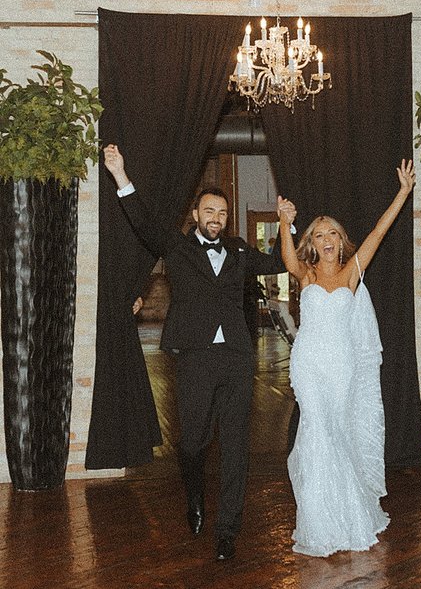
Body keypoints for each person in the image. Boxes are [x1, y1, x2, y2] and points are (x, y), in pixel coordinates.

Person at [102, 144, 286, 562]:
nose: (216, 219)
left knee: (237, 446)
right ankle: (195, 494)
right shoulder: (179, 247)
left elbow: (277, 261)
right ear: (196, 215)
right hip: (195, 357)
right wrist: (119, 174)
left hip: (238, 357)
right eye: (209, 211)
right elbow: (144, 224)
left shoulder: (239, 251)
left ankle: (228, 531)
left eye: (222, 213)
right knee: (193, 444)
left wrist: (286, 224)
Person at [277, 160, 414, 557]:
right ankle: (319, 521)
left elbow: (378, 231)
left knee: (336, 434)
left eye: (332, 233)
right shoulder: (306, 273)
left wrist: (403, 193)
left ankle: (347, 513)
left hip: (342, 367)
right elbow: (286, 261)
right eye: (319, 235)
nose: (327, 240)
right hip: (308, 364)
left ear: (340, 239)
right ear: (313, 243)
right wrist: (284, 223)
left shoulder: (353, 271)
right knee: (317, 431)